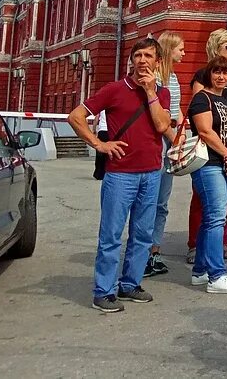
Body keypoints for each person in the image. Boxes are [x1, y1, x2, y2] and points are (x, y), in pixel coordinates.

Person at [67, 38, 171, 313]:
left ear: (158, 62)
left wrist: (150, 92)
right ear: (131, 60)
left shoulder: (161, 93)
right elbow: (76, 116)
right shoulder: (114, 89)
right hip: (120, 174)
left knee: (143, 233)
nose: (142, 60)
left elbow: (162, 125)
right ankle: (104, 291)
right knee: (112, 234)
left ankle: (130, 284)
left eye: (148, 55)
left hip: (151, 172)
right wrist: (99, 144)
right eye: (137, 55)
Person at [188, 56, 227, 293]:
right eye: (216, 72)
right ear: (209, 74)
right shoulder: (202, 99)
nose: (221, 76)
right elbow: (204, 130)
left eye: (225, 73)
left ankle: (200, 270)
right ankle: (217, 275)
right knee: (216, 217)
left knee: (212, 218)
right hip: (209, 164)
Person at [188, 29, 227, 265]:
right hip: (209, 155)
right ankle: (203, 255)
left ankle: (202, 265)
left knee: (221, 210)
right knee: (207, 206)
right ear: (216, 46)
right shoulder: (202, 79)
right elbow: (204, 123)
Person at [146, 31, 185, 278]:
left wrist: (182, 135)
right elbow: (160, 118)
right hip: (158, 142)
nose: (183, 52)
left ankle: (154, 252)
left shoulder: (172, 77)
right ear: (169, 49)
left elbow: (176, 109)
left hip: (170, 141)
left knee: (161, 202)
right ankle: (144, 252)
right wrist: (176, 142)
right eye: (180, 48)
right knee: (150, 201)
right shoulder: (156, 80)